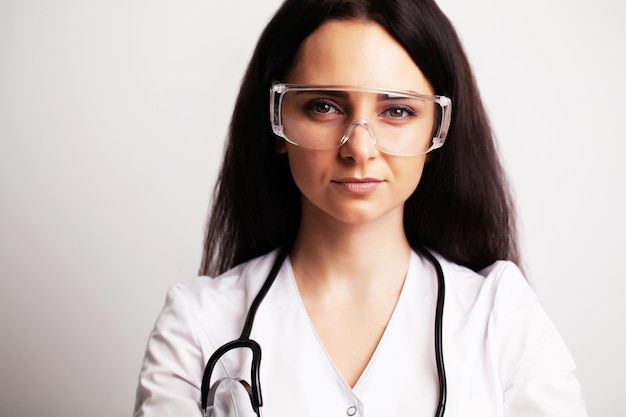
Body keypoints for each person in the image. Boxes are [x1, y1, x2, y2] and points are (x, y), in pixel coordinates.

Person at [134, 0, 588, 416]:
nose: (360, 148)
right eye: (324, 106)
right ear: (276, 121)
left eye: (397, 112)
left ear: (438, 131)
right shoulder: (197, 326)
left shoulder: (502, 318)